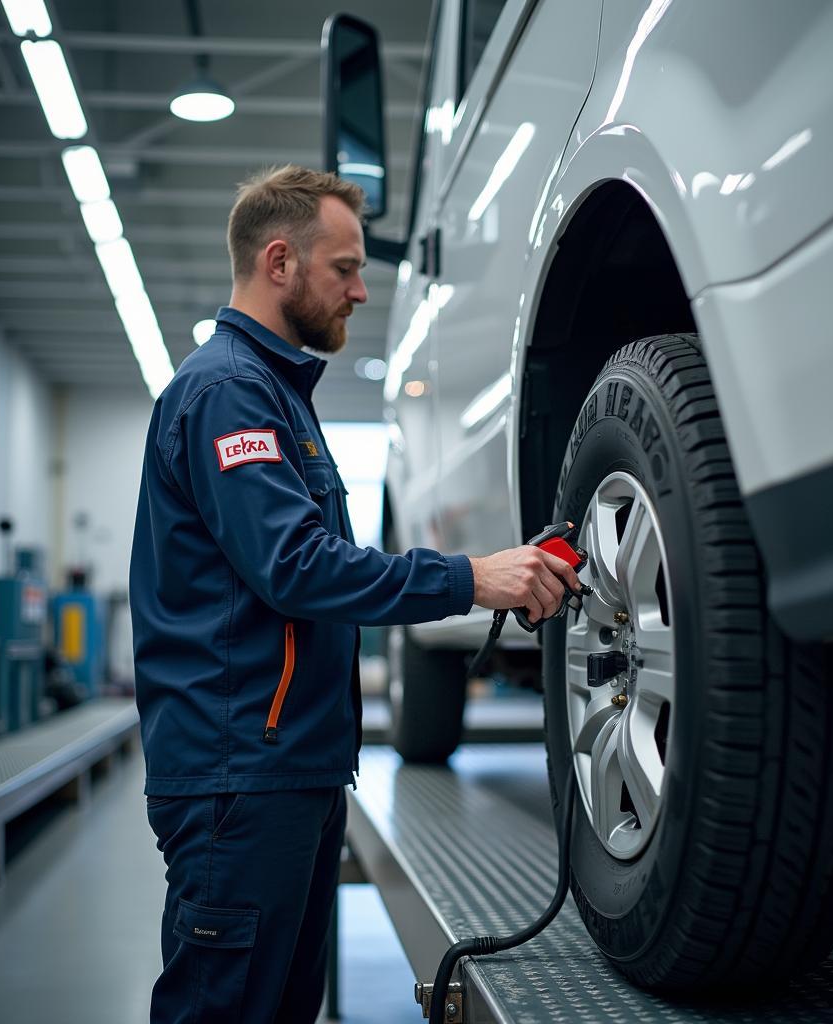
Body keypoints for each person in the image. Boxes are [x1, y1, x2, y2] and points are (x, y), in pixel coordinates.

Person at [129, 164, 581, 1024]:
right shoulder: (229, 394)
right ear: (278, 262)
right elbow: (299, 567)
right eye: (345, 267)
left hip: (284, 767)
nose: (362, 290)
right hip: (241, 778)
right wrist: (469, 579)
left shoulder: (274, 396)